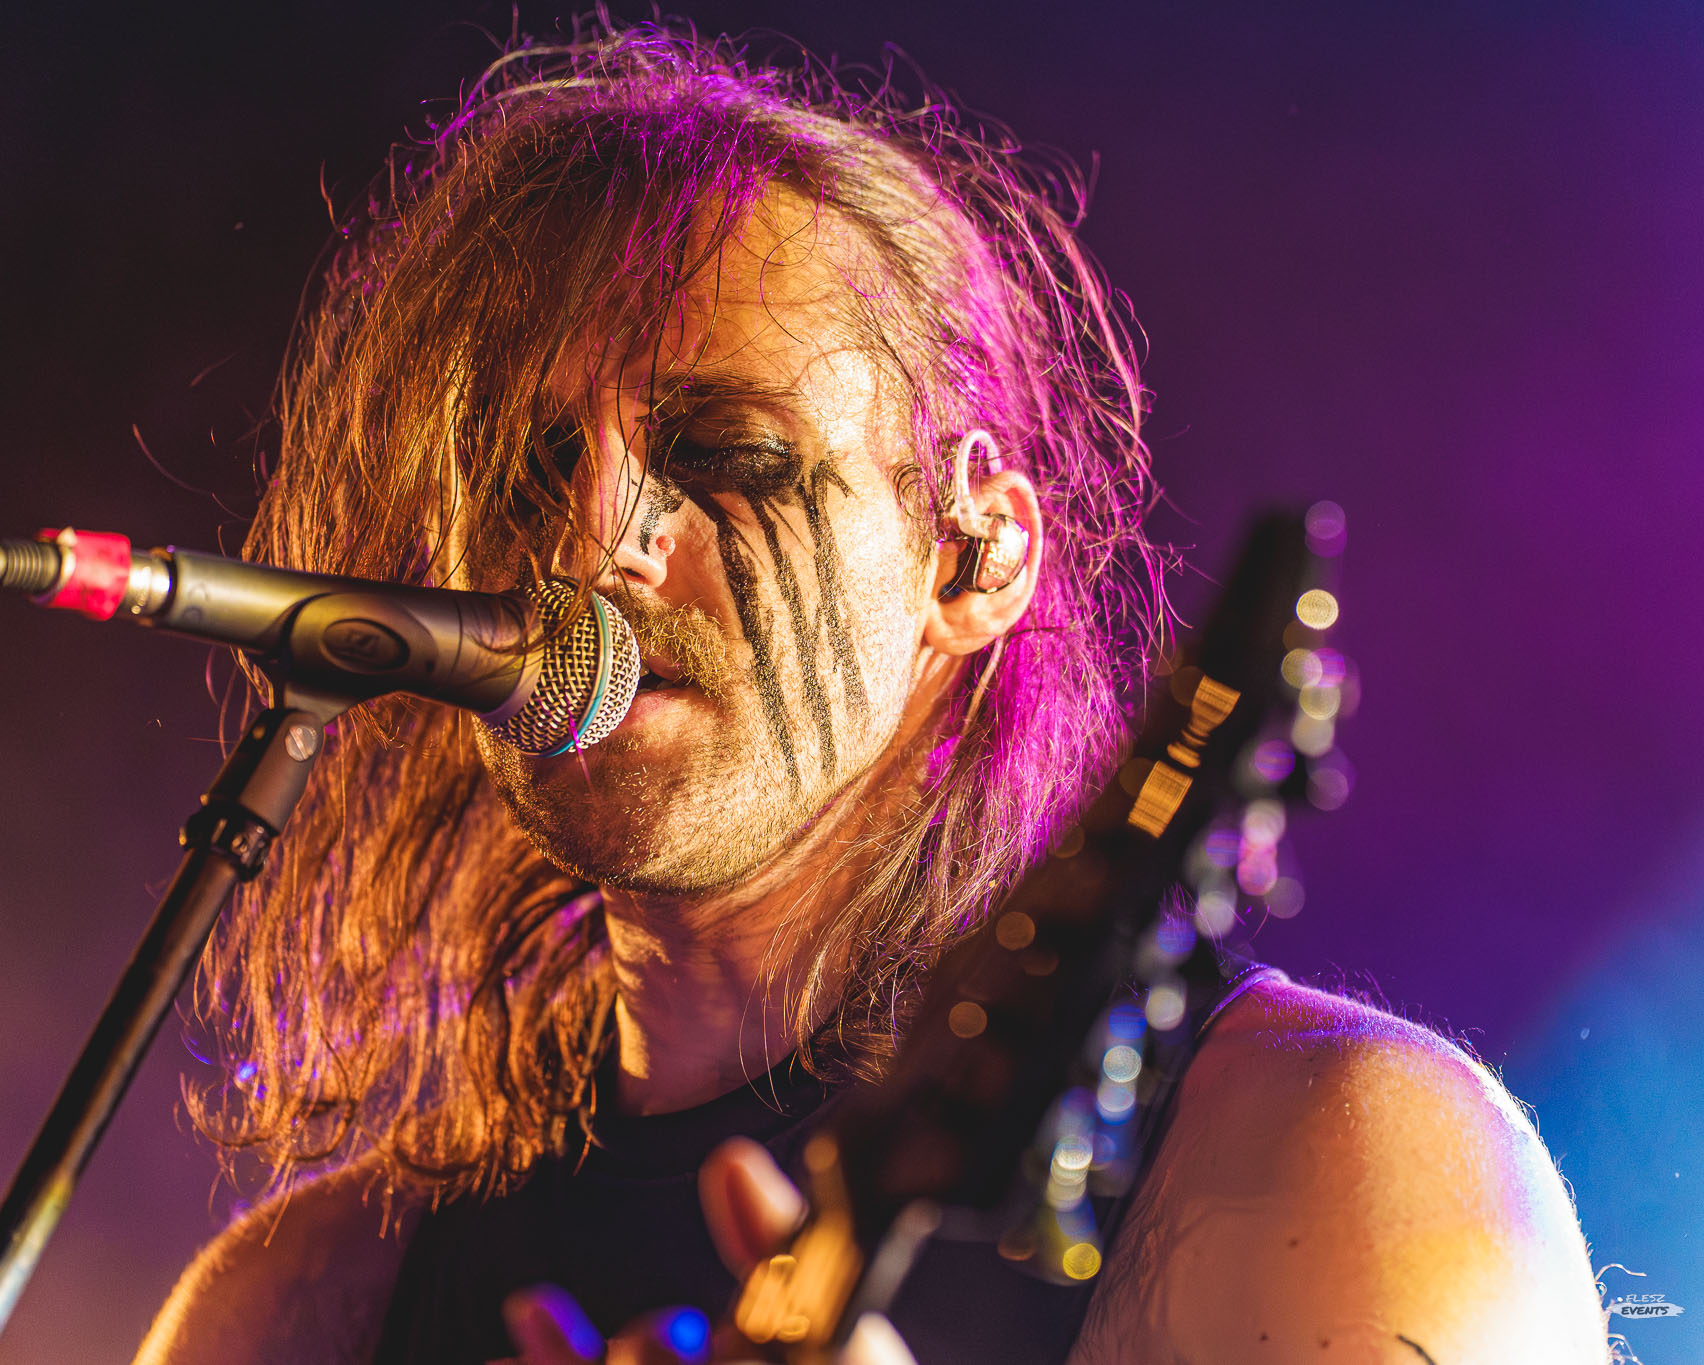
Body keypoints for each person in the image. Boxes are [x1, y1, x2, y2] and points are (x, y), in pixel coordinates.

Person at [133, 21, 1608, 1365]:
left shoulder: (1332, 1159)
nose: (587, 543)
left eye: (727, 454)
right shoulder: (295, 1305)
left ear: (973, 553)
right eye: (529, 469)